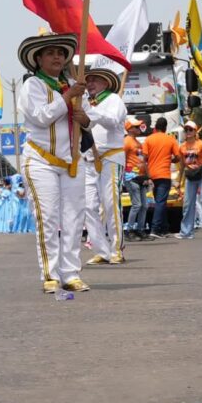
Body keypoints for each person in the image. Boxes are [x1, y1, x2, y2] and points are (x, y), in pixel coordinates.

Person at [18, 33, 91, 294]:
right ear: (38, 59)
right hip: (41, 160)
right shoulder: (33, 86)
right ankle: (50, 274)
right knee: (48, 219)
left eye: (60, 52)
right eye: (50, 52)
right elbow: (41, 117)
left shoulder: (73, 84)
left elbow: (88, 119)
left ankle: (71, 273)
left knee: (74, 219)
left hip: (73, 161)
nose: (57, 56)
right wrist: (69, 95)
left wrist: (83, 118)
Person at [81, 50, 131, 267]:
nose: (90, 83)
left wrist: (93, 114)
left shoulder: (113, 100)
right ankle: (102, 250)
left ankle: (117, 248)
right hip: (89, 160)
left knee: (110, 205)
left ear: (106, 82)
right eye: (88, 79)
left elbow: (111, 121)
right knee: (89, 207)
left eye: (95, 79)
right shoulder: (87, 102)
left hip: (111, 158)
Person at [140, 115, 180, 238]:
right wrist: (171, 160)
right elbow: (178, 157)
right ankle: (155, 229)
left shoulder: (148, 139)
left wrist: (146, 174)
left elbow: (144, 159)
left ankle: (164, 228)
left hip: (152, 174)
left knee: (159, 201)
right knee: (161, 202)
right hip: (164, 175)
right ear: (165, 128)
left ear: (155, 127)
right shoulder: (170, 139)